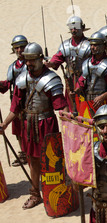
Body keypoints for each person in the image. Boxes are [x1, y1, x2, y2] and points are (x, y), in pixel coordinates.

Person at [0, 42, 68, 209]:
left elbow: (61, 106)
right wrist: (4, 125)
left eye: (31, 60)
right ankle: (35, 194)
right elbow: (15, 107)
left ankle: (57, 191)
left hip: (47, 123)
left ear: (39, 59)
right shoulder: (22, 79)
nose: (28, 63)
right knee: (33, 160)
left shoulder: (51, 79)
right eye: (26, 60)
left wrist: (69, 122)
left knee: (53, 159)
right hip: (29, 125)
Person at [45, 16, 91, 112]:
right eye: (71, 28)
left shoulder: (89, 45)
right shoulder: (65, 45)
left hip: (86, 79)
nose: (74, 30)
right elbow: (57, 59)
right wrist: (50, 64)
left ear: (82, 27)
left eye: (76, 27)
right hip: (70, 80)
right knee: (70, 106)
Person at [72, 32, 107, 113]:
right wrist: (77, 90)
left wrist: (102, 97)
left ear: (104, 46)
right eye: (91, 45)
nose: (92, 47)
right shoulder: (86, 63)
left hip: (104, 103)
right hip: (87, 103)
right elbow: (82, 81)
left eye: (96, 45)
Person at [0, 35, 28, 166]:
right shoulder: (13, 67)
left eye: (22, 47)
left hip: (30, 102)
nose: (19, 50)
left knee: (31, 130)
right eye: (17, 47)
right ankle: (23, 153)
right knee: (18, 131)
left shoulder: (32, 63)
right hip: (17, 104)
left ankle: (31, 153)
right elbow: (7, 85)